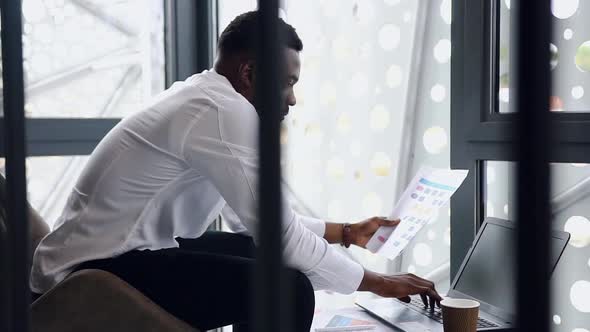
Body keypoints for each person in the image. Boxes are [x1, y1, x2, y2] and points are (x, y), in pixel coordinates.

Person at [30, 11, 441, 331]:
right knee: (288, 291)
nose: (293, 100)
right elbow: (282, 237)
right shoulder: (224, 112)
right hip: (99, 271)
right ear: (249, 74)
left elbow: (263, 224)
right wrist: (379, 282)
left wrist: (346, 232)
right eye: (287, 83)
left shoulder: (205, 97)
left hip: (119, 254)